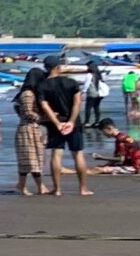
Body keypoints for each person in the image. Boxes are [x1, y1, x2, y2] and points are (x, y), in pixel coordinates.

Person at [40, 56, 92, 197]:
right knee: (78, 154)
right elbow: (77, 103)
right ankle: (83, 188)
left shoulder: (43, 85)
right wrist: (71, 121)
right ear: (58, 67)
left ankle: (57, 189)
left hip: (55, 124)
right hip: (73, 123)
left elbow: (45, 106)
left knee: (56, 155)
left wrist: (57, 123)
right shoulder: (71, 82)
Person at [13, 66, 55, 197]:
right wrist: (47, 116)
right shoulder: (27, 94)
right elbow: (27, 113)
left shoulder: (30, 93)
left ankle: (24, 185)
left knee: (32, 161)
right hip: (27, 130)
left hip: (32, 129)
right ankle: (36, 186)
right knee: (30, 160)